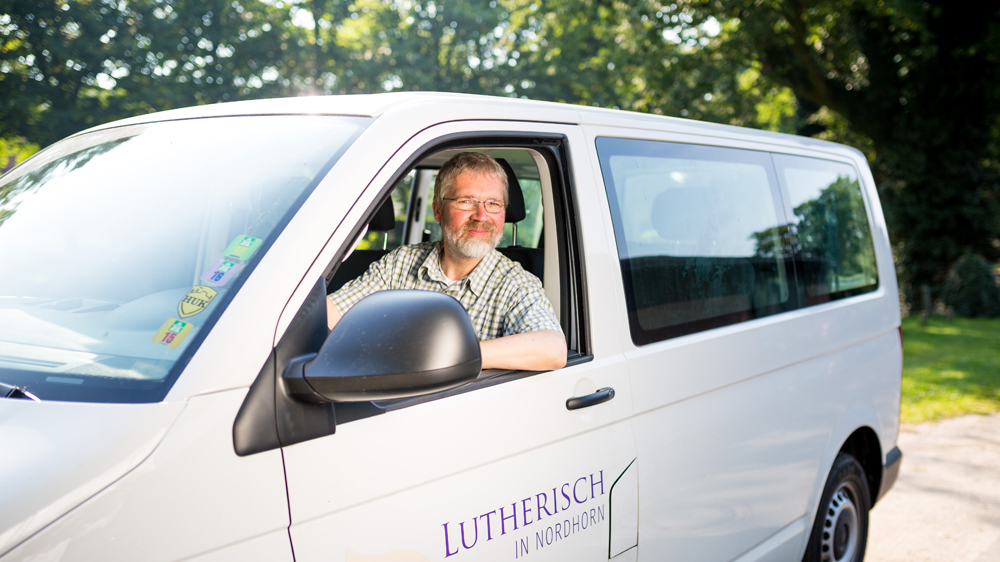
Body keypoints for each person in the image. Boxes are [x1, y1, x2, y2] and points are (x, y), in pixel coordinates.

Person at [326, 152, 567, 371]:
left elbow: (553, 349)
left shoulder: (515, 282)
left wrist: (449, 354)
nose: (481, 216)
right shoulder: (400, 263)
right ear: (438, 210)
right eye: (466, 201)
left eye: (493, 204)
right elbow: (330, 313)